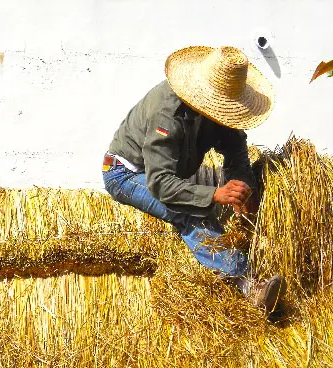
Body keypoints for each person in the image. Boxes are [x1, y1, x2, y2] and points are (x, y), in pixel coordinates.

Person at [102, 45, 285, 312]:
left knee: (208, 195)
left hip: (170, 172)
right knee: (189, 211)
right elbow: (161, 183)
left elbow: (236, 151)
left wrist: (244, 188)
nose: (225, 114)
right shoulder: (167, 114)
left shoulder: (223, 108)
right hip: (126, 173)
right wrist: (213, 195)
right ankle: (247, 283)